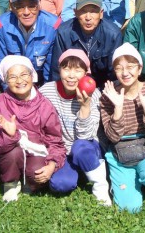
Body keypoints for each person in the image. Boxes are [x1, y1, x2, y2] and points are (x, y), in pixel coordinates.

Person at [0, 56, 66, 203]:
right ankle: (10, 184)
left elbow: (55, 141)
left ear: (32, 76)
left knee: (35, 174)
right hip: (9, 153)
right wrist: (10, 136)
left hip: (36, 152)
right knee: (13, 152)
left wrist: (52, 165)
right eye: (12, 76)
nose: (19, 81)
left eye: (24, 74)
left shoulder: (45, 105)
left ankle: (29, 184)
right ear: (5, 80)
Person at [100, 43, 145, 213]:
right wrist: (118, 109)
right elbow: (112, 137)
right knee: (130, 208)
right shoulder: (109, 95)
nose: (125, 73)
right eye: (119, 68)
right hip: (120, 150)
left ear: (140, 68)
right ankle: (132, 179)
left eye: (130, 67)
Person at [40, 49, 111, 206]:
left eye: (78, 70)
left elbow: (86, 136)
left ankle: (100, 186)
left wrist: (85, 107)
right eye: (66, 69)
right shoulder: (47, 91)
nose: (71, 76)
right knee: (60, 184)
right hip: (62, 150)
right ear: (59, 70)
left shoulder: (93, 94)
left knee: (80, 147)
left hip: (87, 146)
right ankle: (78, 172)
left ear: (86, 73)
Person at [50, 0, 122, 88]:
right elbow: (56, 70)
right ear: (75, 12)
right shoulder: (64, 32)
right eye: (83, 11)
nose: (88, 17)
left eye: (93, 11)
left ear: (101, 13)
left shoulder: (113, 34)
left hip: (103, 88)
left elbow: (115, 73)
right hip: (71, 87)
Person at [0, 0, 60, 88]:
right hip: (12, 84)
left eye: (32, 6)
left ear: (39, 4)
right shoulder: (1, 25)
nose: (26, 12)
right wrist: (11, 93)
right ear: (12, 7)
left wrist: (46, 94)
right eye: (19, 6)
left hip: (41, 83)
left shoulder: (53, 26)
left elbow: (51, 68)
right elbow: (0, 64)